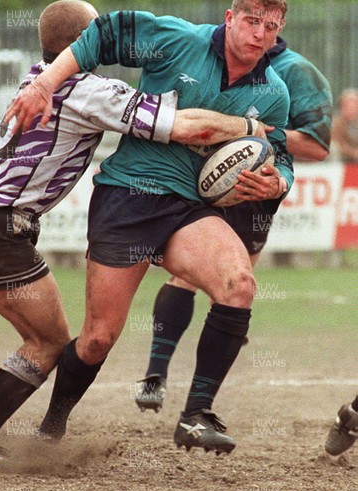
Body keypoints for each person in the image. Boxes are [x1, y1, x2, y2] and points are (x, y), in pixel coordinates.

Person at [0, 0, 267, 458]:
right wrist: (247, 125)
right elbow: (186, 128)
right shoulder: (87, 90)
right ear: (85, 43)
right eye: (99, 35)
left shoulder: (37, 76)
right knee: (49, 340)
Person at [5, 0, 293, 455]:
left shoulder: (274, 92)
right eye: (251, 21)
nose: (259, 33)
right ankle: (52, 425)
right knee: (98, 338)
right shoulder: (178, 39)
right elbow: (103, 33)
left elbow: (279, 152)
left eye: (271, 26)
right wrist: (43, 84)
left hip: (189, 208)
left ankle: (196, 415)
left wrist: (277, 181)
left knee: (239, 284)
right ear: (229, 17)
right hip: (129, 199)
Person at [135, 34, 333, 413]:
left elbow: (317, 147)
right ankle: (155, 375)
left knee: (233, 290)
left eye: (264, 26)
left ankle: (198, 401)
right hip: (204, 182)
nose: (251, 37)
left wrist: (247, 134)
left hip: (252, 193)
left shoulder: (295, 71)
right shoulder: (213, 61)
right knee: (184, 277)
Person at [331, 88, 358, 162]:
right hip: (342, 161)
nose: (352, 109)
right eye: (348, 105)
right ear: (341, 107)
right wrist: (354, 152)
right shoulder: (335, 124)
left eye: (355, 105)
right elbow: (336, 144)